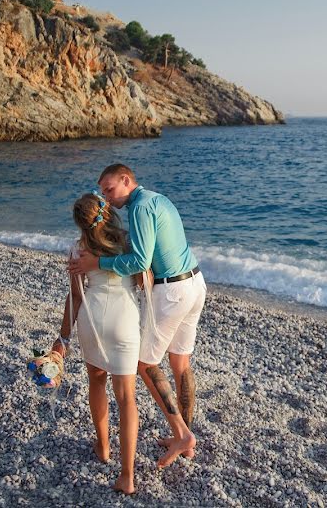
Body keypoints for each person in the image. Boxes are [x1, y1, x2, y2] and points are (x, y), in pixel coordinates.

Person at [69, 163, 206, 469]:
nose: (107, 197)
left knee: (145, 364)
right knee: (180, 362)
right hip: (195, 282)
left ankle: (183, 435)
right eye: (102, 192)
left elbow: (140, 261)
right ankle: (183, 435)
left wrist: (97, 264)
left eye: (109, 189)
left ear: (126, 180)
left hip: (171, 291)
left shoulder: (140, 209)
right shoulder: (159, 199)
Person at [53, 192, 141, 494]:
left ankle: (103, 447)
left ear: (79, 222)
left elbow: (75, 296)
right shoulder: (128, 243)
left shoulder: (78, 250)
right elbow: (143, 277)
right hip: (124, 319)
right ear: (106, 214)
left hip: (92, 317)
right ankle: (127, 475)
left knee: (96, 382)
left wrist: (62, 337)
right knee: (127, 397)